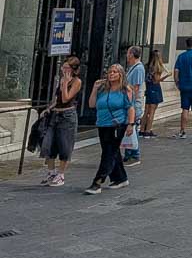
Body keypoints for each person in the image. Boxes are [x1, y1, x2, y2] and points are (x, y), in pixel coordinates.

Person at [85, 64, 136, 195]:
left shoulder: (126, 90)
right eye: (110, 72)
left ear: (121, 75)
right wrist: (95, 89)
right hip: (103, 124)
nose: (111, 74)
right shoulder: (103, 89)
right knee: (112, 152)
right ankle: (120, 178)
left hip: (117, 125)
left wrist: (131, 124)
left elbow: (130, 107)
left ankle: (98, 181)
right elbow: (91, 104)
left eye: (115, 72)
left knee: (108, 153)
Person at [40, 56, 82, 187]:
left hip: (67, 116)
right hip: (56, 114)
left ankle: (61, 174)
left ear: (73, 69)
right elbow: (57, 99)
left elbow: (66, 98)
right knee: (48, 143)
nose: (63, 70)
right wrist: (48, 108)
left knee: (65, 145)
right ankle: (51, 172)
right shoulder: (62, 79)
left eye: (66, 68)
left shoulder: (76, 81)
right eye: (63, 67)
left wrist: (65, 83)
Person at [122, 45, 145, 166]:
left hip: (133, 103)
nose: (126, 55)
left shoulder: (138, 68)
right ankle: (128, 154)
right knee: (129, 127)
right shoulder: (133, 68)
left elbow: (135, 87)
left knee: (133, 128)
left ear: (131, 54)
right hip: (129, 102)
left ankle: (134, 155)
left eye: (128, 53)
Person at [141, 51, 168, 137]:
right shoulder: (157, 67)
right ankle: (148, 130)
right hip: (155, 88)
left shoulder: (146, 66)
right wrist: (167, 75)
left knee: (146, 111)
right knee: (152, 111)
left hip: (148, 87)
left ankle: (142, 129)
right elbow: (156, 80)